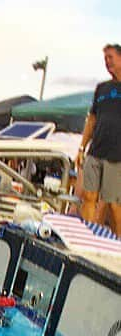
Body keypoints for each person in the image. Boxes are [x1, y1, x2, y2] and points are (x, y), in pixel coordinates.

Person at [78, 43, 121, 234]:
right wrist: (81, 147)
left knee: (114, 204)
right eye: (105, 59)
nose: (107, 62)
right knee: (89, 196)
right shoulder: (101, 89)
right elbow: (92, 119)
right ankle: (88, 235)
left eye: (110, 58)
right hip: (95, 150)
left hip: (117, 155)